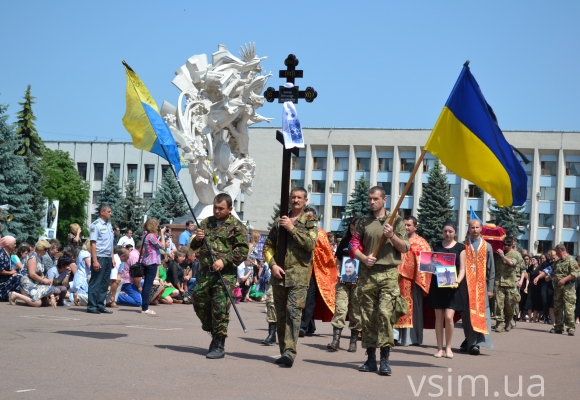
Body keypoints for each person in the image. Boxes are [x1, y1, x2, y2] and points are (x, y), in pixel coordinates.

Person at [350, 186, 409, 376]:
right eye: (370, 199)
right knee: (367, 317)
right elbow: (353, 246)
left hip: (388, 274)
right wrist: (363, 258)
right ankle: (370, 359)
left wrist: (392, 235)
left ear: (384, 200)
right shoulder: (364, 222)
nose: (372, 202)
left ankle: (385, 360)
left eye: (375, 199)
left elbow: (405, 247)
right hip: (368, 274)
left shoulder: (396, 221)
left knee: (384, 314)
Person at [263, 187, 317, 367]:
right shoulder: (280, 221)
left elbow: (310, 244)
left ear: (305, 200)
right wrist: (273, 265)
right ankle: (283, 350)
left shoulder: (309, 220)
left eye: (299, 198)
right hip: (279, 275)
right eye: (293, 197)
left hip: (299, 277)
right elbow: (267, 246)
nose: (295, 200)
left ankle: (289, 352)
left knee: (293, 314)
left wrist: (292, 228)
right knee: (280, 315)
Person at [190, 193, 249, 359]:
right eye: (215, 207)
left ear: (230, 209)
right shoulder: (206, 223)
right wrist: (197, 239)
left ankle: (218, 343)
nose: (217, 211)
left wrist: (224, 261)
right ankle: (212, 328)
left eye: (220, 208)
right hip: (205, 272)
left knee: (220, 309)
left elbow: (242, 250)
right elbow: (194, 245)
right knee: (198, 300)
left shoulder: (237, 226)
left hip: (225, 274)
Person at [426, 221, 465, 359]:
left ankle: (448, 347)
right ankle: (439, 349)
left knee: (449, 318)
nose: (447, 234)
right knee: (439, 318)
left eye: (450, 231)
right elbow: (430, 265)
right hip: (438, 286)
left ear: (455, 232)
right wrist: (431, 270)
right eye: (445, 231)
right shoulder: (436, 246)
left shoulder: (461, 247)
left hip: (452, 287)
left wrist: (457, 281)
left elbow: (462, 269)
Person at [394, 216, 432, 347]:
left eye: (409, 225)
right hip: (395, 281)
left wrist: (422, 281)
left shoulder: (422, 243)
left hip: (413, 283)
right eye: (404, 225)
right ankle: (395, 336)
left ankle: (412, 338)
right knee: (394, 307)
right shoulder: (396, 240)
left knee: (412, 310)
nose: (406, 227)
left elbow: (428, 265)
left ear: (415, 227)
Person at [299, 207, 337, 337]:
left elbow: (327, 254)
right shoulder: (299, 231)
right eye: (306, 216)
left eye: (311, 217)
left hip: (316, 273)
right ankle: (310, 325)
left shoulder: (320, 233)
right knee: (301, 299)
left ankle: (303, 326)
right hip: (300, 271)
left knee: (309, 299)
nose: (308, 219)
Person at [459, 219, 495, 356]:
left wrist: (490, 288)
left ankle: (476, 344)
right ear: (469, 228)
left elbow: (491, 269)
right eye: (472, 227)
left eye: (477, 227)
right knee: (467, 316)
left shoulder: (487, 247)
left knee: (482, 315)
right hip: (466, 287)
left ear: (481, 229)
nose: (475, 230)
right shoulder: (463, 246)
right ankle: (470, 340)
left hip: (481, 288)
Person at [327, 217, 362, 353]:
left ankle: (353, 341)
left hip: (358, 283)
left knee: (355, 313)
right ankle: (336, 340)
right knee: (340, 310)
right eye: (352, 229)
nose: (354, 233)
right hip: (343, 281)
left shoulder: (366, 243)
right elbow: (339, 260)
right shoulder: (345, 242)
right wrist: (338, 272)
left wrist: (360, 275)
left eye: (357, 230)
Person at [86, 204, 116, 314]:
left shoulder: (109, 225)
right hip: (99, 257)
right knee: (96, 282)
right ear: (102, 212)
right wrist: (95, 260)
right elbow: (93, 244)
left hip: (108, 257)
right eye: (108, 211)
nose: (110, 213)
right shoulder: (96, 225)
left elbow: (110, 244)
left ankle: (100, 304)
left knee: (104, 282)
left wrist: (112, 257)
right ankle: (92, 305)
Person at [10, 240, 56, 307]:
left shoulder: (40, 258)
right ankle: (15, 295)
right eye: (45, 249)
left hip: (36, 282)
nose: (47, 251)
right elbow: (32, 274)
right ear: (40, 248)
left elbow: (40, 273)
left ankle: (36, 298)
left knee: (51, 291)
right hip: (27, 282)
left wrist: (46, 280)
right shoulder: (33, 258)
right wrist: (43, 280)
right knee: (37, 303)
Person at [550, 244, 579, 335]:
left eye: (556, 251)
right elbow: (552, 270)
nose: (555, 253)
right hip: (558, 289)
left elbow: (575, 273)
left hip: (568, 288)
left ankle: (570, 328)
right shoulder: (558, 262)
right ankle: (558, 327)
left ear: (560, 250)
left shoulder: (571, 260)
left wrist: (564, 279)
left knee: (569, 308)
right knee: (557, 308)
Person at [141, 218, 167, 315]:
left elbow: (155, 244)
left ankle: (144, 306)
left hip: (146, 261)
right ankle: (145, 308)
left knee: (146, 285)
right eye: (156, 225)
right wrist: (162, 233)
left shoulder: (145, 234)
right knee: (148, 285)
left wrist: (160, 234)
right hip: (152, 262)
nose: (157, 226)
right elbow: (163, 246)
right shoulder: (151, 236)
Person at [493, 237, 519, 332]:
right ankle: (499, 323)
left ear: (512, 244)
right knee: (498, 305)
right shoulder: (497, 254)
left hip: (510, 284)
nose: (506, 246)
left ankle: (508, 322)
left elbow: (512, 263)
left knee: (509, 305)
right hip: (498, 283)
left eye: (508, 244)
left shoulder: (516, 254)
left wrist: (503, 256)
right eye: (504, 244)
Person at [117, 240, 142, 307]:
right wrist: (139, 286)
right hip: (128, 282)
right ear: (141, 247)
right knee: (138, 302)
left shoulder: (134, 254)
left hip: (130, 281)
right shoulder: (135, 256)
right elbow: (136, 274)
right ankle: (117, 296)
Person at [70, 239, 91, 306]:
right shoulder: (87, 254)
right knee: (88, 298)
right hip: (83, 278)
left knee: (77, 291)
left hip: (78, 276)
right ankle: (78, 297)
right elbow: (90, 266)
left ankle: (76, 297)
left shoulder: (82, 252)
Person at [1, 236, 21, 301]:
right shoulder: (1, 253)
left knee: (21, 276)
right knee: (19, 278)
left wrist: (13, 272)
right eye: (14, 243)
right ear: (8, 243)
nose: (15, 245)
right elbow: (1, 270)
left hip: (5, 279)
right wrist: (10, 273)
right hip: (2, 281)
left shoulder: (9, 253)